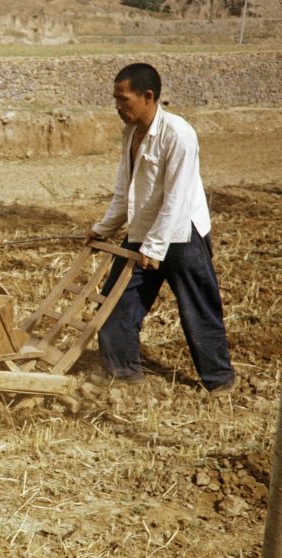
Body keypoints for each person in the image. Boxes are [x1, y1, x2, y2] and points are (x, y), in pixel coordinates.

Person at [85, 63, 236, 395]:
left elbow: (177, 198)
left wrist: (154, 249)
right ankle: (123, 373)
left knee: (197, 307)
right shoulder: (130, 135)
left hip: (183, 235)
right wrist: (102, 229)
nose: (117, 107)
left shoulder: (178, 134)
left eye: (123, 99)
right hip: (144, 231)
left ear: (147, 95)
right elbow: (125, 193)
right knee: (115, 303)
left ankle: (219, 380)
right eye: (115, 99)